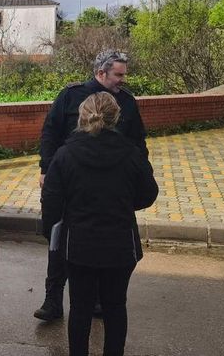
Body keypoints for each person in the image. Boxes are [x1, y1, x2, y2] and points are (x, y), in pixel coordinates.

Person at [41, 92, 158, 356]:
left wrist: (53, 237)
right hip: (120, 245)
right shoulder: (130, 153)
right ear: (116, 117)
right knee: (116, 307)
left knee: (80, 309)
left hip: (79, 245)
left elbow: (51, 201)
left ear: (82, 117)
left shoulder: (65, 154)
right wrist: (125, 205)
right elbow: (149, 193)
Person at [35, 49, 148, 321]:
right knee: (60, 240)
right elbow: (50, 132)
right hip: (72, 181)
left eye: (124, 74)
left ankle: (98, 300)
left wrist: (139, 174)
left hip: (111, 185)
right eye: (118, 75)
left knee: (100, 242)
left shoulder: (128, 103)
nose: (123, 80)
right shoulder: (70, 96)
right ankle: (53, 299)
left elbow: (138, 143)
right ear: (101, 73)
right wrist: (46, 169)